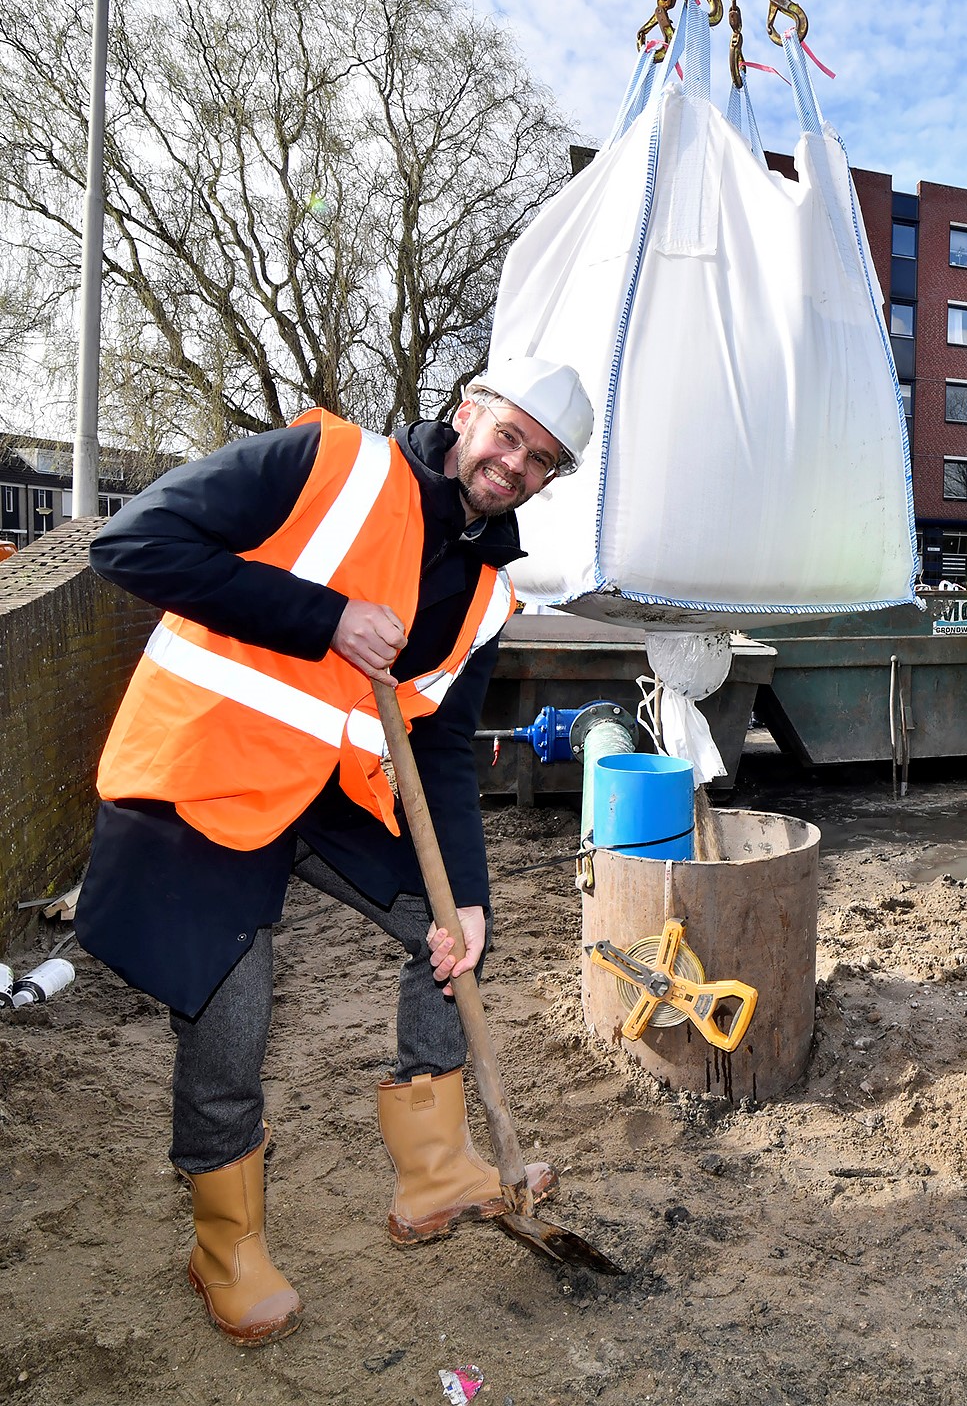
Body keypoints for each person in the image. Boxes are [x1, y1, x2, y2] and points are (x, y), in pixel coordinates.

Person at [75, 356, 593, 1346]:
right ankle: (226, 1243)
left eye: (542, 460)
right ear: (466, 411)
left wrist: (468, 898)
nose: (515, 463)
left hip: (324, 791)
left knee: (445, 933)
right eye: (510, 434)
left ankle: (436, 1169)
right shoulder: (329, 461)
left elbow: (437, 745)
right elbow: (131, 540)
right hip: (206, 771)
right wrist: (323, 617)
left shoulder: (487, 593)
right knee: (235, 999)